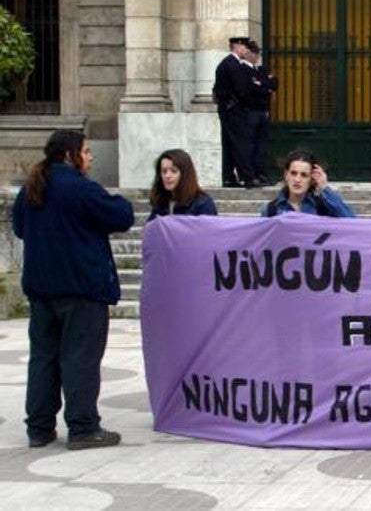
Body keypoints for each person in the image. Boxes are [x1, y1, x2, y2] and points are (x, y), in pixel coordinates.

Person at [12, 130, 135, 450]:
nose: (91, 157)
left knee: (43, 358)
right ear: (71, 154)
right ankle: (83, 427)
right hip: (81, 287)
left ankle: (39, 427)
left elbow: (20, 228)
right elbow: (122, 215)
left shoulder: (32, 188)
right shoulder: (80, 188)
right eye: (87, 151)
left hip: (42, 288)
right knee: (80, 357)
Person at [213, 35, 265, 187]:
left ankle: (229, 177)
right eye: (244, 47)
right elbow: (242, 89)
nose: (245, 50)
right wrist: (251, 96)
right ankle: (248, 177)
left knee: (229, 144)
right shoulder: (232, 64)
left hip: (229, 109)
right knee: (240, 143)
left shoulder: (228, 63)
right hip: (234, 110)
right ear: (236, 46)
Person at [260, 149, 355, 217]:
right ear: (286, 174)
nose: (297, 179)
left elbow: (350, 220)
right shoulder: (270, 209)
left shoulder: (322, 206)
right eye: (293, 173)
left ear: (312, 178)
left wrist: (324, 187)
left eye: (304, 175)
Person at [242, 39, 278, 184]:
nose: (257, 56)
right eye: (255, 53)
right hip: (251, 112)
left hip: (263, 112)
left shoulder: (259, 70)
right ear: (248, 53)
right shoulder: (243, 69)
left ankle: (260, 173)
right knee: (251, 144)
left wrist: (261, 84)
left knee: (261, 145)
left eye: (258, 53)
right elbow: (252, 90)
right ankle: (251, 175)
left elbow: (274, 85)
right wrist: (265, 87)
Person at [147, 149, 218, 221]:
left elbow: (209, 230)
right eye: (164, 171)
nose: (167, 176)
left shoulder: (203, 204)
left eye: (173, 171)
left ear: (185, 174)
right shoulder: (161, 202)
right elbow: (151, 229)